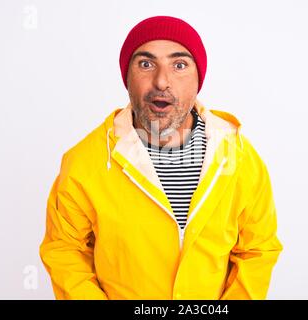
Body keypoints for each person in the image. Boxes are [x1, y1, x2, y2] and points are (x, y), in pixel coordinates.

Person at [39, 15, 283, 300]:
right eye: (146, 64)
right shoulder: (85, 162)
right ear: (127, 77)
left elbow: (257, 251)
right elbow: (65, 252)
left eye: (179, 65)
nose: (161, 81)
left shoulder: (238, 157)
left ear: (198, 79)